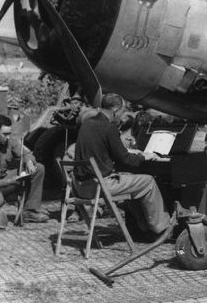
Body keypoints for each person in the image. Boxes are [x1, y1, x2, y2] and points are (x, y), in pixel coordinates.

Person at [73, 93, 170, 236]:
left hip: (80, 187)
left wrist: (129, 152)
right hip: (100, 187)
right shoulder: (108, 127)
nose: (123, 116)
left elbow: (104, 149)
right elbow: (125, 159)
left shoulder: (87, 124)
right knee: (148, 181)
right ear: (115, 110)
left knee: (130, 179)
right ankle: (162, 227)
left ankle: (141, 227)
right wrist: (144, 156)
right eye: (123, 111)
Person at [0, 114, 48, 223]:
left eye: (9, 134)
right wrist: (9, 181)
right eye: (5, 134)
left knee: (38, 168)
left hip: (5, 180)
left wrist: (30, 162)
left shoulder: (10, 141)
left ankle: (30, 211)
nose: (8, 137)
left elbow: (26, 153)